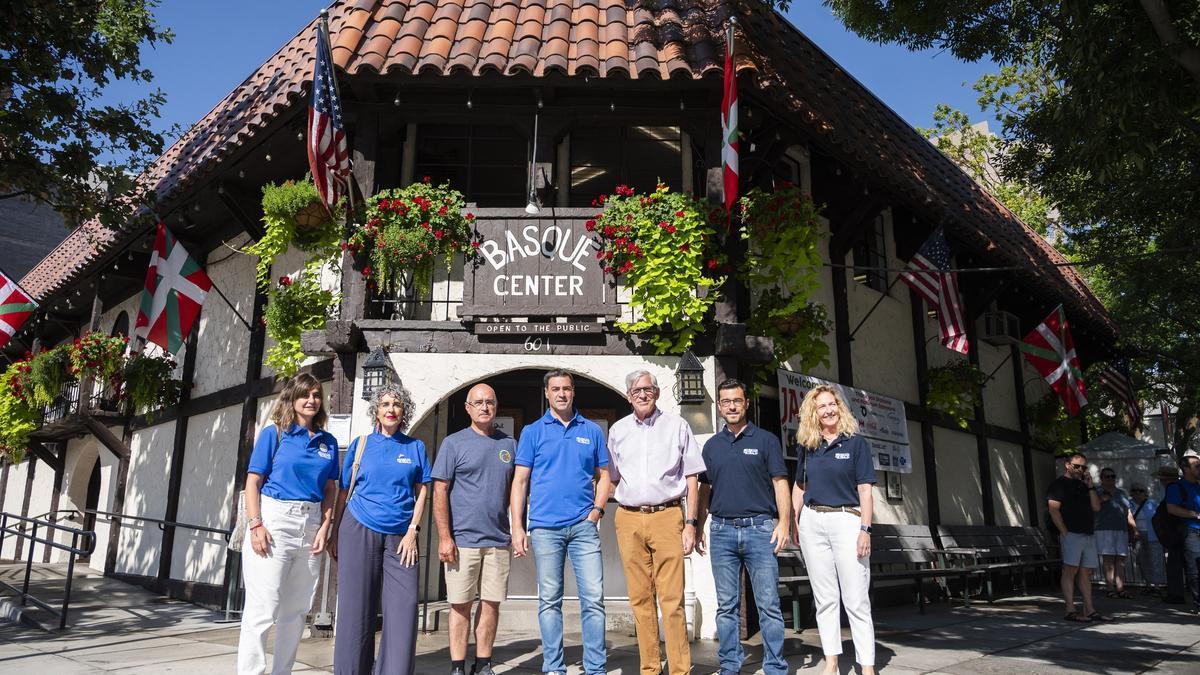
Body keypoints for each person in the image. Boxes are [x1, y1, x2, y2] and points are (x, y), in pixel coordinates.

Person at [511, 370, 612, 675]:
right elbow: (520, 481)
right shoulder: (532, 431)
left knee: (594, 599)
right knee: (549, 600)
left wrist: (596, 512)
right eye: (555, 389)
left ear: (573, 392)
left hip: (583, 527)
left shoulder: (591, 431)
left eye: (567, 389)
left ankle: (595, 667)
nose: (562, 394)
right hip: (545, 528)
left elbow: (604, 476)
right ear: (546, 394)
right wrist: (518, 526)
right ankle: (554, 666)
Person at [237, 373, 339, 675]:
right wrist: (256, 525)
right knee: (263, 608)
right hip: (274, 520)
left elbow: (330, 489)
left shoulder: (327, 441)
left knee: (296, 611)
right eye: (305, 395)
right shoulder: (275, 434)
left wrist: (324, 526)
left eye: (316, 395)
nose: (311, 400)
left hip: (310, 525)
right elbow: (253, 481)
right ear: (292, 398)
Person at [606, 370, 704, 675]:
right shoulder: (618, 431)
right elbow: (611, 478)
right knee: (639, 599)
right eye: (636, 391)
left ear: (657, 392)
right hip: (629, 518)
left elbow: (692, 477)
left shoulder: (677, 426)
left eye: (647, 389)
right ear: (628, 397)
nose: (642, 395)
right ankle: (649, 668)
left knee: (672, 599)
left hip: (667, 516)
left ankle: (679, 669)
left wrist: (691, 522)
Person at [332, 383, 431, 675]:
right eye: (385, 404)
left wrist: (414, 529)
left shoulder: (415, 447)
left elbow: (423, 489)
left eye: (397, 405)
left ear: (404, 412)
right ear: (376, 409)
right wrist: (335, 533)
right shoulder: (361, 444)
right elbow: (343, 491)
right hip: (357, 527)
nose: (391, 409)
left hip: (402, 537)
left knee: (404, 609)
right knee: (355, 610)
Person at [697, 378, 791, 675]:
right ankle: (729, 666)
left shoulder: (766, 440)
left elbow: (780, 483)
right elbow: (703, 491)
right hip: (722, 531)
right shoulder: (712, 446)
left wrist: (784, 523)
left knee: (768, 605)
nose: (732, 406)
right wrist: (698, 526)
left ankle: (775, 667)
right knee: (726, 607)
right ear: (720, 407)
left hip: (760, 529)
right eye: (726, 402)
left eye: (737, 400)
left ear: (746, 403)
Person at [791, 385, 876, 675]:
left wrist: (865, 529)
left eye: (831, 404)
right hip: (813, 522)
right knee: (825, 599)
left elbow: (865, 490)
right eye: (820, 406)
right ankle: (832, 662)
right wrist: (795, 520)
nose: (827, 410)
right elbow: (800, 486)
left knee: (856, 599)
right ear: (812, 413)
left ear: (839, 407)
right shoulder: (808, 445)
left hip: (847, 521)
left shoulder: (855, 444)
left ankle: (867, 666)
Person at [432, 383, 515, 675]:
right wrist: (445, 537)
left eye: (489, 402)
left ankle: (483, 664)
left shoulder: (509, 445)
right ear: (468, 407)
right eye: (478, 402)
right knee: (460, 605)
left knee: (491, 604)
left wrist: (517, 530)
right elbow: (440, 490)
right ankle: (457, 666)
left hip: (498, 539)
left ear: (496, 406)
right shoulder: (453, 443)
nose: (484, 407)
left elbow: (517, 492)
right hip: (462, 541)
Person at [1046, 452, 1111, 622]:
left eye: (1083, 467)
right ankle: (1070, 609)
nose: (1080, 469)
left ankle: (1089, 609)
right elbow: (1053, 509)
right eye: (1076, 466)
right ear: (1067, 465)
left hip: (1088, 533)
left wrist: (1090, 486)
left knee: (1086, 572)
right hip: (1071, 533)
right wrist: (1064, 532)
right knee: (1070, 570)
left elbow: (1096, 507)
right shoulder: (1058, 485)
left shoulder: (1085, 486)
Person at [1163, 454, 1200, 613]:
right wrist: (1196, 515)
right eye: (1196, 465)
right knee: (1195, 568)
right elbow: (1171, 508)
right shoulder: (1176, 487)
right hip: (1191, 531)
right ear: (1185, 468)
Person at [1094, 467, 1138, 598]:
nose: (1110, 479)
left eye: (1112, 476)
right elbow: (1091, 507)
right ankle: (1110, 588)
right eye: (1107, 476)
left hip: (1121, 529)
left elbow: (1128, 512)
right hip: (1104, 529)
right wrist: (1102, 499)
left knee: (1121, 559)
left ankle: (1120, 588)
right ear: (1101, 478)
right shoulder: (1096, 491)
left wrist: (1134, 529)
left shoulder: (1122, 493)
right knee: (1108, 559)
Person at [1156, 464, 1187, 604]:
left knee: (1175, 565)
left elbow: (1171, 511)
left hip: (1178, 533)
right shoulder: (1183, 487)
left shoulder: (1173, 489)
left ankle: (1176, 594)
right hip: (1181, 531)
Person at [1130, 483, 1164, 593]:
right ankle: (1148, 584)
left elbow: (1161, 519)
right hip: (1137, 536)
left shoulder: (1153, 503)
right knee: (1142, 560)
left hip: (1153, 535)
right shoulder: (1129, 504)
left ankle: (1157, 586)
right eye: (1135, 490)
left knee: (1156, 560)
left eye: (1140, 490)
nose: (1137, 493)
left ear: (1145, 493)